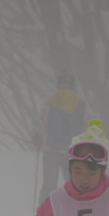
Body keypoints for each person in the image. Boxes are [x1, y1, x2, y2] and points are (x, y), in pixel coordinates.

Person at [30, 69, 91, 206]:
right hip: (74, 152)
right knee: (76, 186)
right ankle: (78, 212)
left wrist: (36, 135)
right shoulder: (81, 104)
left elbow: (40, 121)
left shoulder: (50, 103)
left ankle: (44, 214)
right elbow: (89, 124)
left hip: (51, 149)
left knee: (49, 186)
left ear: (58, 85)